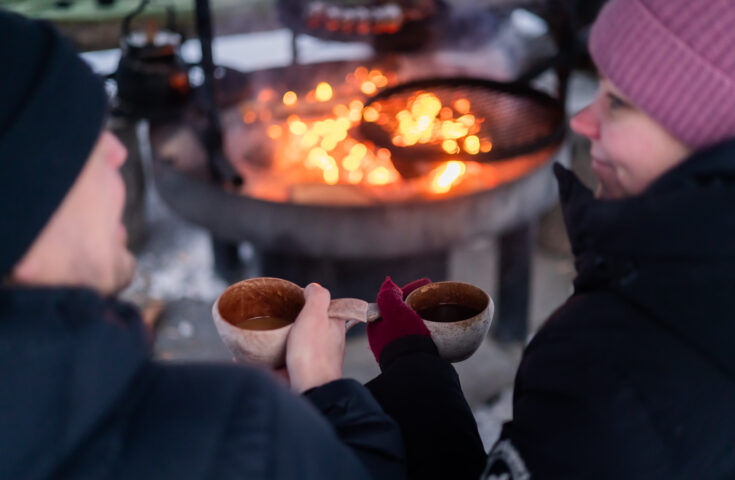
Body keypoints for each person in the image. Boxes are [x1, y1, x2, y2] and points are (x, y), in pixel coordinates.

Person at [0, 10, 404, 480]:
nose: (117, 152)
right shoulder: (239, 427)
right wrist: (324, 391)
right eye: (83, 142)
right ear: (24, 210)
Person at [364, 0, 735, 478]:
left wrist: (346, 394)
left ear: (705, 130)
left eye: (618, 102)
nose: (583, 120)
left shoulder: (608, 368)